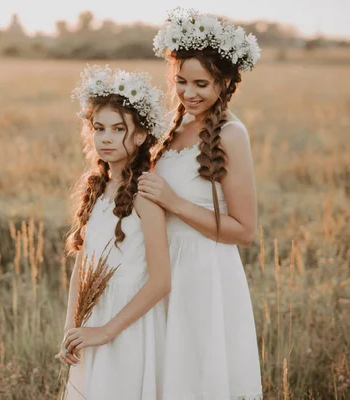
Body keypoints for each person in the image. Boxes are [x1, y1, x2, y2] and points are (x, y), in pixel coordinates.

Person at [137, 8, 263, 399]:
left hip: (202, 272)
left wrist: (174, 202)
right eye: (181, 81)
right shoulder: (174, 125)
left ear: (224, 83)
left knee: (195, 376)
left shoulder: (231, 134)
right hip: (159, 268)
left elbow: (244, 232)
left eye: (201, 84)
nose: (189, 93)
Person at [56, 65, 171, 399]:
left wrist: (106, 331)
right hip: (93, 316)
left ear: (140, 135)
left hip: (128, 321)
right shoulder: (97, 187)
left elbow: (161, 281)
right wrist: (71, 327)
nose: (106, 137)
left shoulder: (146, 193)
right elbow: (83, 265)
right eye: (99, 128)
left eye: (118, 129)